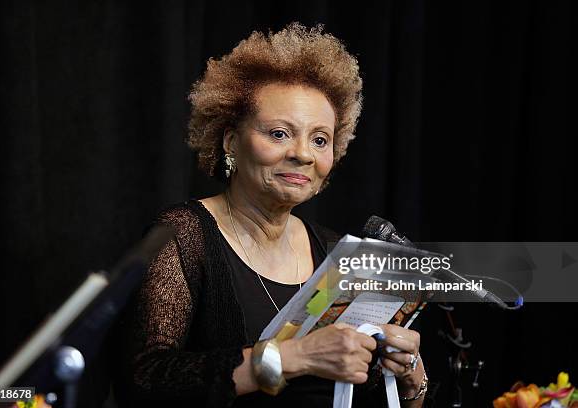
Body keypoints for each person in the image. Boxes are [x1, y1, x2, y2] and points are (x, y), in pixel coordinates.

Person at [116, 23, 427, 407]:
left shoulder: (334, 252)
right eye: (280, 133)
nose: (303, 154)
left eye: (320, 139)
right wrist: (295, 357)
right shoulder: (182, 235)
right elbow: (145, 380)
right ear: (230, 139)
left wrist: (410, 377)